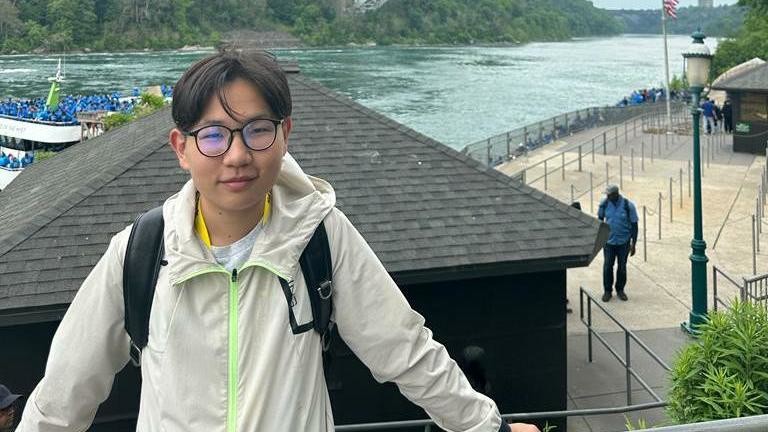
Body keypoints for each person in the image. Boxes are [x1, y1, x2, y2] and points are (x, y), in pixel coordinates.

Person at [17, 50, 539, 432]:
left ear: (284, 134)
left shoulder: (318, 237)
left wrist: (485, 426)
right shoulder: (141, 253)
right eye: (213, 135)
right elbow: (64, 393)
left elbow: (404, 349)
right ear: (181, 147)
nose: (237, 155)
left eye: (257, 130)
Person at [597, 185, 638, 302]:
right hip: (609, 242)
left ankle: (620, 290)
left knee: (622, 267)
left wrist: (633, 244)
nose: (607, 197)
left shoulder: (628, 205)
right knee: (607, 267)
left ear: (615, 194)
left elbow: (634, 225)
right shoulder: (604, 204)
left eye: (609, 195)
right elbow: (600, 221)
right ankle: (607, 291)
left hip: (623, 243)